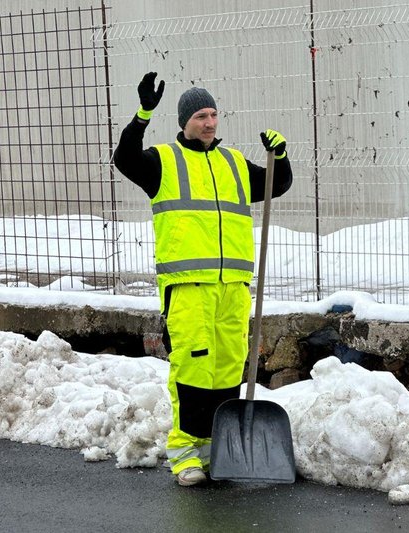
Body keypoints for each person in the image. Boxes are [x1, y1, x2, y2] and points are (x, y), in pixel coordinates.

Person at [113, 72, 293, 487]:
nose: (210, 123)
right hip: (189, 287)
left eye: (213, 114)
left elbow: (275, 185)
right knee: (192, 371)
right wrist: (142, 115)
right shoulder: (162, 162)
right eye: (200, 116)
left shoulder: (232, 164)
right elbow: (124, 158)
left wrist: (279, 156)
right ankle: (184, 453)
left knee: (230, 367)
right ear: (184, 122)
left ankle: (219, 449)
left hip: (233, 287)